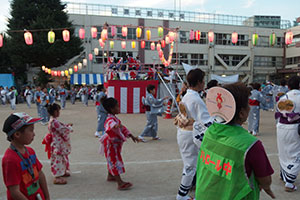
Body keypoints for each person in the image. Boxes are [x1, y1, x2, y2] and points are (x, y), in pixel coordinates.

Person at [195, 82, 275, 200]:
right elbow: (265, 179)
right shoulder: (251, 144)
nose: (249, 107)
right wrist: (267, 187)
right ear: (242, 114)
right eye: (248, 104)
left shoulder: (210, 131)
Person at [176, 68, 213, 200]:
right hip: (190, 134)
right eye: (203, 80)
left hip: (185, 132)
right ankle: (181, 195)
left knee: (191, 164)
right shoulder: (195, 99)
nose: (204, 83)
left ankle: (184, 193)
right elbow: (206, 121)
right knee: (190, 165)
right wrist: (220, 119)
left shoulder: (188, 95)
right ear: (198, 82)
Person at [2, 112, 50, 200]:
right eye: (31, 130)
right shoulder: (10, 160)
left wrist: (47, 197)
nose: (34, 134)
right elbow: (14, 191)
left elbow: (40, 174)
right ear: (17, 134)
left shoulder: (30, 151)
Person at [99, 97, 139, 190]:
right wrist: (116, 126)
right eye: (117, 107)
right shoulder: (110, 119)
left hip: (114, 145)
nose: (118, 108)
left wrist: (131, 135)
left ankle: (110, 175)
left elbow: (122, 128)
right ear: (111, 109)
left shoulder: (114, 118)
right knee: (114, 161)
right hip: (111, 145)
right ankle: (120, 183)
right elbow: (111, 125)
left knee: (112, 159)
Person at [275, 75, 300, 192]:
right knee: (295, 153)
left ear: (288, 86)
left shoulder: (283, 97)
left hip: (281, 126)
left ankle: (283, 174)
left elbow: (278, 112)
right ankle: (289, 182)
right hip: (296, 127)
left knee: (283, 151)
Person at [44, 103, 73, 184]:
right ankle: (57, 176)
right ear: (55, 112)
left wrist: (67, 126)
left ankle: (62, 172)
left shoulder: (53, 120)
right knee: (58, 159)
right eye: (58, 111)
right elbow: (62, 129)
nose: (59, 112)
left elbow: (62, 127)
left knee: (62, 158)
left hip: (58, 142)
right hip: (57, 143)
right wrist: (69, 128)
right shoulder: (54, 121)